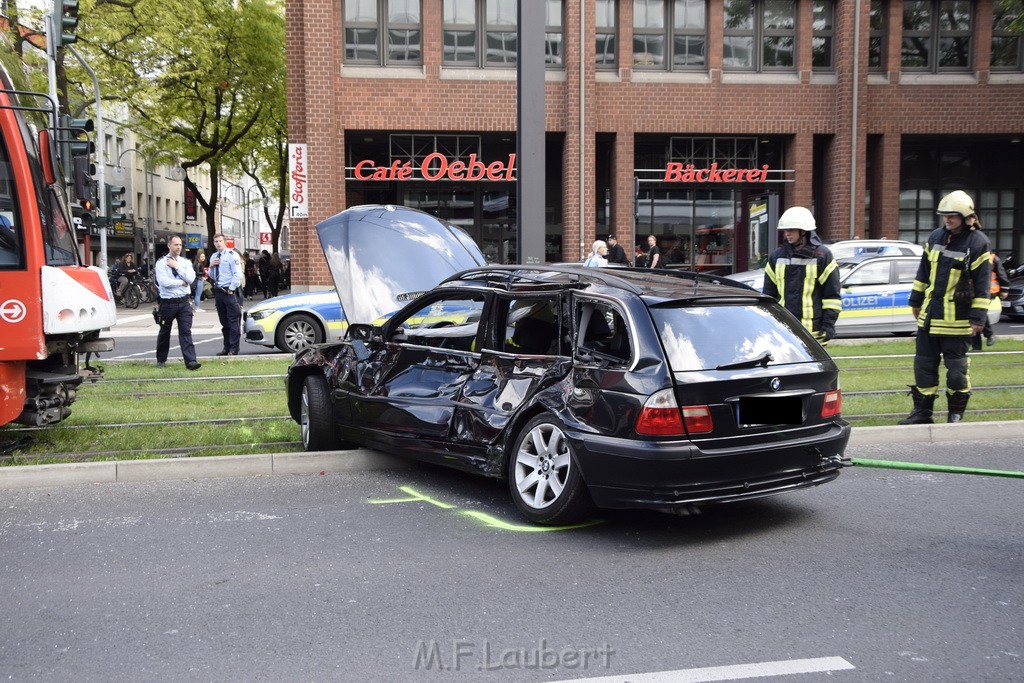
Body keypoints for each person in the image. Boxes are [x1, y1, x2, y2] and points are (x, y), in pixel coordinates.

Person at [899, 190, 992, 425]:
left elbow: (983, 286)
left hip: (958, 322)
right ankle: (922, 413)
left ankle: (955, 414)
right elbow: (923, 273)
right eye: (944, 216)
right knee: (923, 366)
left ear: (966, 217)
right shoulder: (936, 237)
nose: (947, 220)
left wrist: (978, 319)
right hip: (930, 318)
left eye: (952, 216)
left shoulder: (978, 243)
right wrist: (915, 301)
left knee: (956, 371)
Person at [762, 206, 842, 346]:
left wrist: (828, 324)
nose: (787, 234)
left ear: (804, 231)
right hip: (783, 328)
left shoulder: (822, 256)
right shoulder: (777, 256)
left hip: (812, 331)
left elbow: (832, 296)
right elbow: (769, 295)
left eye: (791, 230)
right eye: (785, 230)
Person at [154, 235, 201, 371]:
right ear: (169, 245)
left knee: (185, 332)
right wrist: (181, 282)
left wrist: (177, 267)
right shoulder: (161, 263)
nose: (178, 247)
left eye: (180, 245)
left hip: (184, 302)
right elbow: (164, 282)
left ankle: (191, 361)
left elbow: (191, 279)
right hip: (168, 303)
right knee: (164, 332)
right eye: (175, 245)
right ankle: (161, 360)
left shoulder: (185, 262)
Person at [208, 233, 243, 356]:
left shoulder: (232, 255)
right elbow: (211, 276)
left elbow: (237, 274)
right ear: (214, 243)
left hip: (229, 291)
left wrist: (232, 289)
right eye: (216, 241)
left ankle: (234, 348)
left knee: (233, 321)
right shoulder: (213, 256)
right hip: (218, 291)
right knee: (224, 322)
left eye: (220, 241)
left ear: (225, 242)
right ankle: (226, 347)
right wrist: (211, 266)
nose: (218, 243)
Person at [971, 244, 1010, 350]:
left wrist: (1004, 290)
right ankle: (979, 345)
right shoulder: (973, 256)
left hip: (988, 291)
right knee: (975, 316)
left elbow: (1001, 274)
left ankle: (987, 337)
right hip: (975, 291)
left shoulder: (993, 258)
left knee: (978, 314)